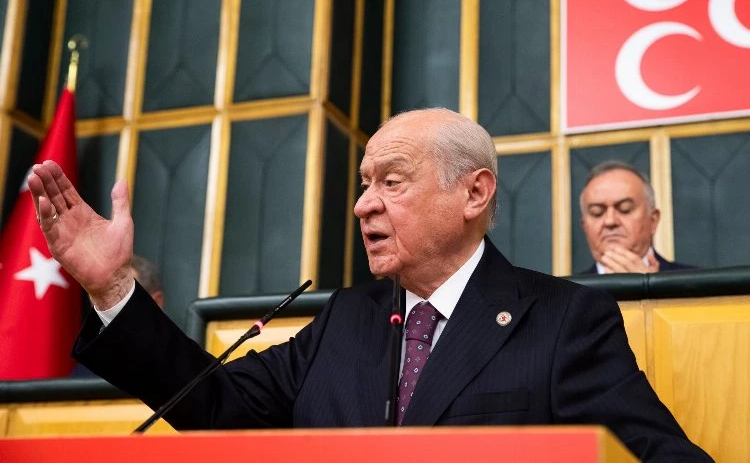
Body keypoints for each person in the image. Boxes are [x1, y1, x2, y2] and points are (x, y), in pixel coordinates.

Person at [28, 108, 710, 461]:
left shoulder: (563, 319)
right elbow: (215, 405)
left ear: (474, 193)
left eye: (391, 182)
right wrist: (113, 286)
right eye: (363, 185)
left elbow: (661, 457)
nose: (362, 206)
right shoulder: (346, 318)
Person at [579, 161, 694, 274]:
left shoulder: (695, 283)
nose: (610, 221)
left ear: (653, 221)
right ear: (585, 226)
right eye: (597, 212)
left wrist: (650, 284)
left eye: (625, 209)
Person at [70, 255, 165, 377]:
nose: (107, 309)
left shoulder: (179, 360)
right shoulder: (90, 366)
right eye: (100, 300)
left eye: (120, 297)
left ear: (156, 302)